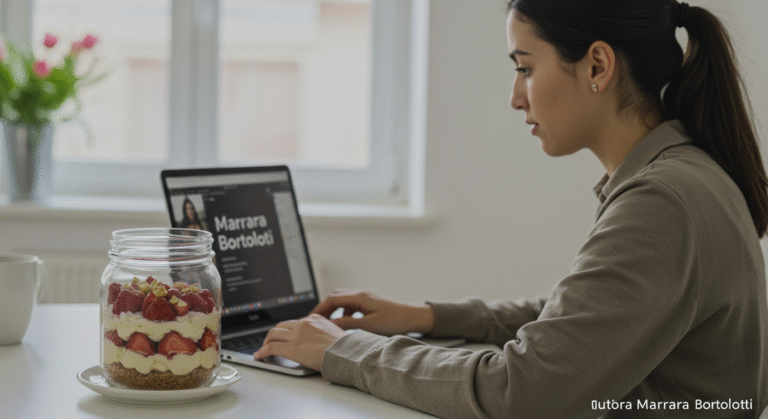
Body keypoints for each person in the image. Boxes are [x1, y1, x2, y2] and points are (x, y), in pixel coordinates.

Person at [254, 1, 768, 417]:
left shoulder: (662, 201)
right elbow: (584, 319)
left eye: (525, 68)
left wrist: (342, 351)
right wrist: (427, 318)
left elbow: (522, 392)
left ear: (597, 65)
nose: (516, 97)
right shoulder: (683, 174)